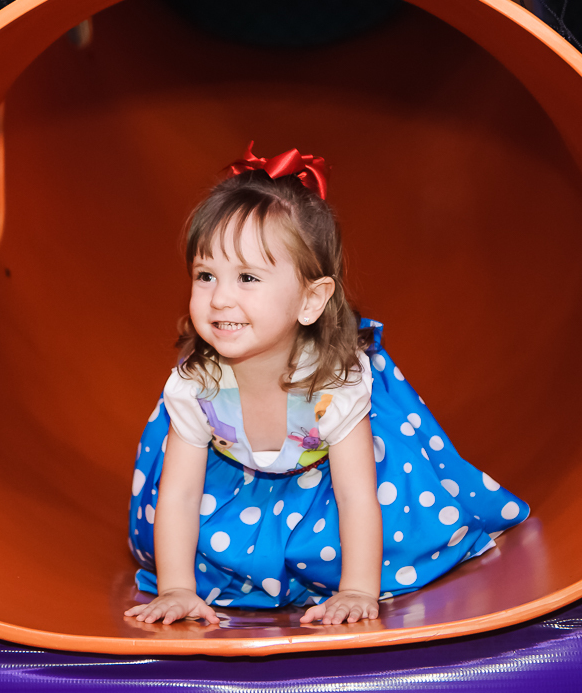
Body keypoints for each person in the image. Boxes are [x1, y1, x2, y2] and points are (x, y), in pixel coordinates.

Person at [126, 144, 528, 627]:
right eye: (206, 275)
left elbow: (356, 495)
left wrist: (358, 591)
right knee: (180, 543)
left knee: (381, 534)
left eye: (248, 277)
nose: (220, 299)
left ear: (311, 301)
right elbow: (182, 495)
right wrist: (176, 588)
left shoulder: (334, 386)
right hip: (235, 490)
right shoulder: (196, 385)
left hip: (328, 495)